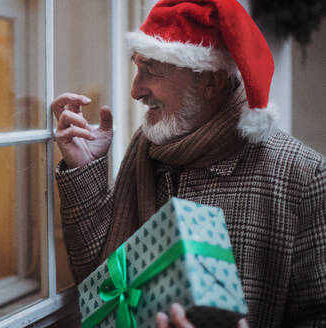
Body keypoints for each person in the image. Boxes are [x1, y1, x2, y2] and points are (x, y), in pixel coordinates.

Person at [52, 0, 326, 327]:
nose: (135, 90)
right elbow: (102, 287)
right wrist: (85, 169)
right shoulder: (147, 149)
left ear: (210, 81)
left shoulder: (303, 176)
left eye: (151, 69)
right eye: (137, 66)